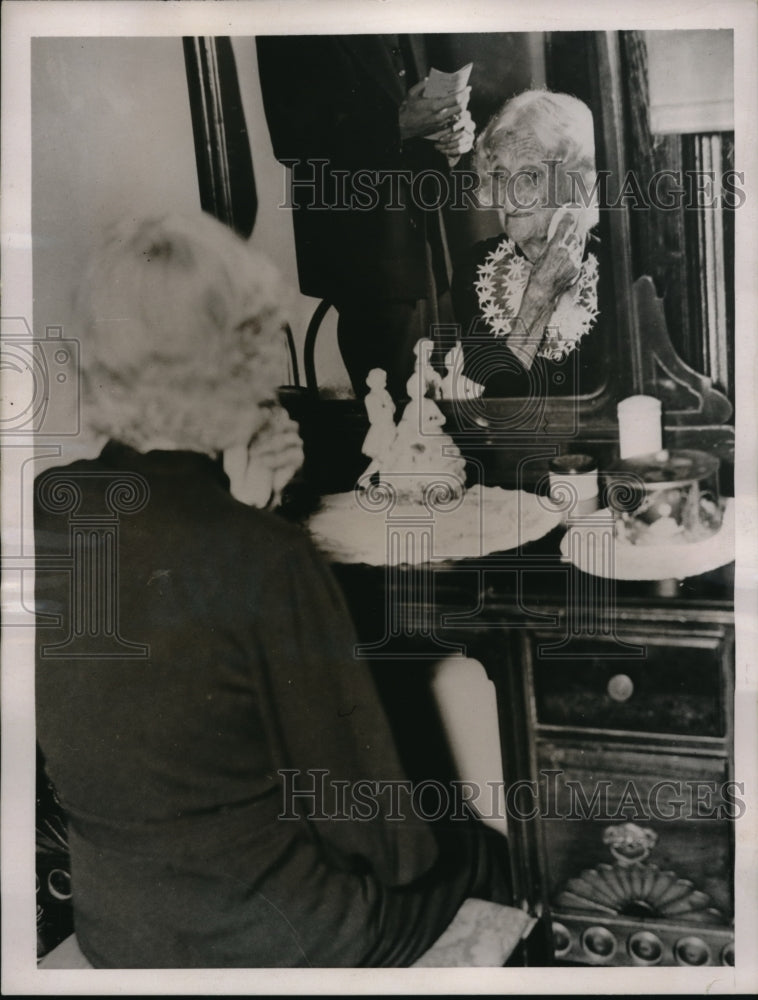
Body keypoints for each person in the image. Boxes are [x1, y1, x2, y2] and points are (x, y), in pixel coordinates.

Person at [34, 211, 512, 968]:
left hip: (118, 928)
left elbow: (176, 674)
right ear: (240, 356)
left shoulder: (55, 507)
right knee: (486, 853)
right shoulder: (265, 557)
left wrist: (245, 504)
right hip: (268, 939)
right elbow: (387, 844)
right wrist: (256, 525)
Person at [255, 34, 475, 401]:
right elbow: (293, 140)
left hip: (431, 246)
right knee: (399, 425)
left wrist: (450, 138)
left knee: (445, 415)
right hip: (369, 259)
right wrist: (398, 125)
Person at [451, 90, 600, 399]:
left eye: (531, 175)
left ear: (574, 181)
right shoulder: (478, 270)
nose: (509, 197)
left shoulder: (617, 264)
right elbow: (496, 404)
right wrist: (539, 293)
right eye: (501, 175)